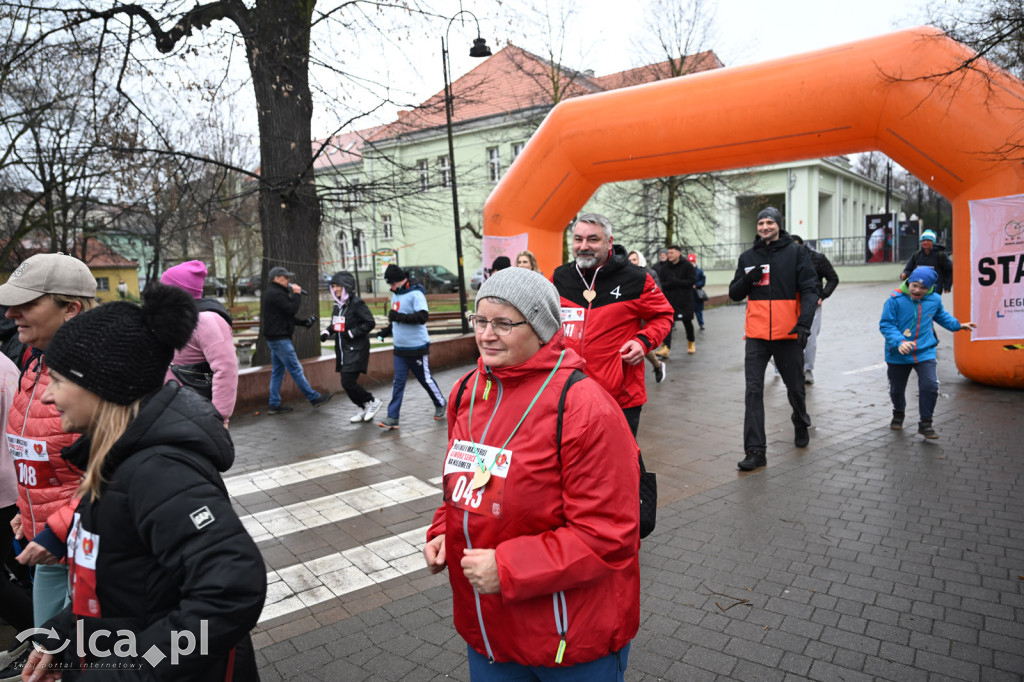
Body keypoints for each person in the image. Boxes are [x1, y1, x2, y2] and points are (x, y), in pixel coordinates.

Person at [19, 283, 266, 681]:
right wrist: (63, 635)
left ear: (102, 385)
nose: (48, 396)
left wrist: (130, 671)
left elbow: (232, 591)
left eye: (59, 381)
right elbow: (118, 587)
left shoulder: (158, 472)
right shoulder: (115, 460)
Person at [424, 267, 640, 680]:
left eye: (504, 323)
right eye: (480, 320)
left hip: (569, 638)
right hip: (488, 631)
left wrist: (507, 569)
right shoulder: (467, 391)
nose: (487, 335)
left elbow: (609, 534)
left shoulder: (584, 408)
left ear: (541, 330)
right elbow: (465, 484)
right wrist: (442, 530)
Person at [0, 253, 95, 643]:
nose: (11, 314)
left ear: (71, 308)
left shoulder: (99, 373)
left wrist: (60, 527)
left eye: (26, 303)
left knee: (86, 656)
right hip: (47, 548)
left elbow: (121, 474)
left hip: (91, 551)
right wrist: (26, 509)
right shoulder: (33, 363)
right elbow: (39, 451)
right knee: (50, 650)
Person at [552, 213, 673, 436]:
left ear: (609, 242)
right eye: (578, 239)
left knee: (618, 455)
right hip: (569, 392)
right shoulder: (559, 278)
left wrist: (643, 342)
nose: (583, 246)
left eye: (593, 239)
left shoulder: (636, 278)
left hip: (620, 395)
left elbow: (664, 315)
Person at [728, 207, 818, 471]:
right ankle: (755, 451)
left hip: (788, 334)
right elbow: (734, 293)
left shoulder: (797, 253)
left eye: (769, 222)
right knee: (753, 391)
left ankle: (800, 421)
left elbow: (810, 290)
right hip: (756, 335)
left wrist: (804, 324)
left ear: (779, 224)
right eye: (761, 223)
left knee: (796, 388)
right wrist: (748, 280)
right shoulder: (748, 257)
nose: (765, 227)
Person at [879, 266, 975, 439]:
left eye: (923, 288)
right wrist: (900, 342)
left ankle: (926, 423)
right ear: (908, 282)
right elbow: (886, 325)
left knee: (930, 385)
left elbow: (941, 316)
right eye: (914, 285)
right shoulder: (894, 300)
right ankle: (898, 412)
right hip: (898, 353)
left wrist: (957, 325)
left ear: (930, 288)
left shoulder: (934, 300)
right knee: (897, 389)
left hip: (925, 351)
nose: (917, 290)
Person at [161, 260, 238, 426]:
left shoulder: (207, 321)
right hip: (172, 410)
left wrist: (219, 417)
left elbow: (226, 368)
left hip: (198, 414)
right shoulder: (174, 318)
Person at [377, 264, 446, 429]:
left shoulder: (416, 294)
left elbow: (422, 317)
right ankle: (392, 417)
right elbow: (395, 319)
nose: (391, 287)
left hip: (417, 348)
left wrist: (399, 317)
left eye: (392, 283)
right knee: (398, 383)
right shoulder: (395, 295)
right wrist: (385, 332)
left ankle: (441, 402)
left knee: (425, 379)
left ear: (401, 280)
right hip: (399, 349)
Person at [262, 265, 332, 414]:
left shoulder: (276, 292)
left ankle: (274, 404)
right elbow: (291, 309)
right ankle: (314, 398)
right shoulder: (276, 293)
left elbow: (285, 316)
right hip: (280, 339)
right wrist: (297, 294)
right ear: (276, 278)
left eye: (289, 277)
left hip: (275, 337)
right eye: (285, 277)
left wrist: (303, 322)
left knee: (278, 371)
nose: (289, 279)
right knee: (295, 369)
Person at [321, 271, 382, 424]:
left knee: (347, 382)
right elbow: (337, 324)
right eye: (333, 286)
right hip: (344, 350)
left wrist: (352, 333)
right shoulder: (338, 305)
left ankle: (372, 401)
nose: (335, 289)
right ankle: (364, 407)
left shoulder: (356, 303)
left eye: (338, 286)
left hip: (356, 349)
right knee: (347, 383)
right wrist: (327, 331)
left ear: (346, 287)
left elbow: (369, 322)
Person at [791, 236, 839, 385]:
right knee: (788, 336)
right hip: (789, 304)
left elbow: (833, 279)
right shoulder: (784, 260)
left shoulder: (818, 259)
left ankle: (807, 370)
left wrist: (822, 296)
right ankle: (785, 366)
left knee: (809, 338)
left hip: (811, 304)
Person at [627, 250, 666, 384]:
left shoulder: (650, 273)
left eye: (634, 259)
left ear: (640, 260)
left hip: (644, 313)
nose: (632, 262)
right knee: (632, 341)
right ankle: (656, 365)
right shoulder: (625, 275)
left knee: (639, 341)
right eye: (629, 260)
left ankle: (656, 365)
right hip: (630, 314)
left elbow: (657, 291)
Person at [654, 244, 697, 357]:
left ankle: (691, 342)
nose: (669, 255)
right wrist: (671, 283)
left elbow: (692, 281)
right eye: (668, 253)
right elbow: (661, 284)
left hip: (685, 300)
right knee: (667, 324)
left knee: (687, 322)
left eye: (671, 253)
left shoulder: (687, 266)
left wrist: (676, 282)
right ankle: (665, 348)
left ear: (679, 253)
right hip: (670, 301)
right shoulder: (665, 268)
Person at [900, 229, 953, 293]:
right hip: (918, 290)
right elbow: (909, 269)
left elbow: (950, 271)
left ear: (933, 242)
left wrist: (947, 286)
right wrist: (905, 274)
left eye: (928, 240)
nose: (925, 242)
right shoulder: (917, 255)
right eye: (923, 240)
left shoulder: (941, 255)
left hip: (934, 290)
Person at [690, 253, 707, 331]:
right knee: (689, 311)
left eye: (692, 262)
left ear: (694, 262)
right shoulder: (686, 271)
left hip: (697, 294)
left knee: (698, 311)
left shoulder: (699, 271)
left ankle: (701, 323)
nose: (691, 263)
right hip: (689, 294)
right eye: (689, 262)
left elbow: (703, 281)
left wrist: (696, 285)